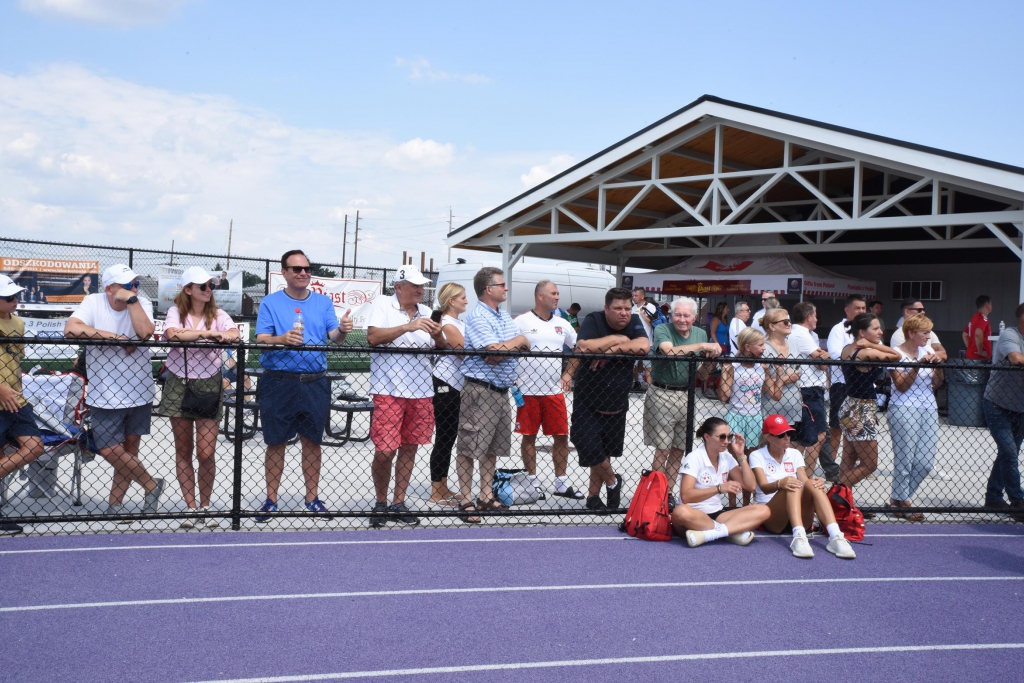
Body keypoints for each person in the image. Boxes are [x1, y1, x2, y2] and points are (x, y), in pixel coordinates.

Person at [253, 250, 353, 522]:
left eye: (307, 268)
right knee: (276, 442)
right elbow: (261, 339)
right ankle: (271, 500)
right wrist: (282, 339)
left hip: (314, 382)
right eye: (296, 269)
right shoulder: (270, 302)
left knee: (312, 441)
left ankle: (312, 498)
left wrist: (343, 329)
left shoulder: (322, 302)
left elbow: (335, 337)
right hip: (279, 381)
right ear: (284, 273)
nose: (303, 273)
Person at [65, 264, 164, 518]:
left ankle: (114, 504)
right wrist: (115, 338)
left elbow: (145, 332)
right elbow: (72, 328)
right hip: (104, 394)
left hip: (139, 391)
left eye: (136, 284)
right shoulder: (94, 301)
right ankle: (151, 484)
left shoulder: (140, 302)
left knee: (129, 452)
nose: (135, 288)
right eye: (128, 285)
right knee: (110, 450)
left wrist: (131, 299)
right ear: (110, 289)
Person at [366, 265, 447, 528]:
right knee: (385, 450)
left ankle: (398, 502)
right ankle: (381, 502)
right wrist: (408, 327)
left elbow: (441, 347)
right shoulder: (382, 304)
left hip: (421, 391)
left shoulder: (427, 312)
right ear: (399, 287)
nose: (420, 290)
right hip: (388, 389)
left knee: (410, 447)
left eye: (422, 285)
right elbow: (373, 337)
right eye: (415, 285)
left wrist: (438, 335)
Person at [159, 267, 240, 528]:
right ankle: (191, 508)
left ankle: (205, 506)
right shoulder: (176, 312)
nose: (208, 290)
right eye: (202, 286)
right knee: (183, 450)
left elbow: (234, 334)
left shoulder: (218, 314)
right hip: (178, 382)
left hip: (209, 384)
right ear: (188, 290)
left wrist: (219, 334)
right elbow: (173, 334)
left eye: (210, 286)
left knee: (206, 452)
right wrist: (208, 334)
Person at [455, 267, 530, 523]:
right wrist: (514, 343)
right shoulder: (478, 316)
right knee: (469, 447)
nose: (506, 288)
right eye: (502, 284)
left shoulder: (503, 315)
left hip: (500, 391)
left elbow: (518, 346)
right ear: (489, 289)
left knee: (491, 448)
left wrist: (513, 343)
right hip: (480, 390)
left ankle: (485, 497)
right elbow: (494, 351)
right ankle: (466, 501)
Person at [571, 287, 650, 511]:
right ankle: (614, 482)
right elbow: (583, 346)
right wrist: (618, 338)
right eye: (618, 308)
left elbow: (643, 346)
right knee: (585, 442)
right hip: (587, 398)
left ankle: (593, 497)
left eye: (627, 308)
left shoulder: (635, 321)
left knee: (604, 450)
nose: (624, 313)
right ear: (606, 308)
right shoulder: (594, 319)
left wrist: (611, 350)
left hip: (617, 400)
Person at [644, 297, 719, 506]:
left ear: (694, 317)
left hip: (687, 394)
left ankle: (667, 494)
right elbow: (669, 351)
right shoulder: (663, 329)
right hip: (663, 393)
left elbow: (701, 375)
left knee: (679, 449)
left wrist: (710, 362)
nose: (682, 319)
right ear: (671, 315)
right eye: (678, 315)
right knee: (663, 449)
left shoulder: (700, 333)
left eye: (686, 315)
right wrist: (702, 345)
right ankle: (655, 494)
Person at [749, 414, 856, 559]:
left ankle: (836, 536)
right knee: (792, 483)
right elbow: (763, 487)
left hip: (799, 513)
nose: (787, 437)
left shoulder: (794, 454)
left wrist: (817, 483)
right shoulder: (757, 455)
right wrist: (780, 483)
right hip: (773, 517)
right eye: (781, 435)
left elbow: (804, 481)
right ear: (768, 437)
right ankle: (799, 537)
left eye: (789, 433)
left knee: (812, 483)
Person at [515, 281, 581, 499]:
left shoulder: (563, 323)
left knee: (562, 436)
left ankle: (561, 483)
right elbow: (508, 348)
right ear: (540, 296)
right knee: (529, 437)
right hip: (527, 392)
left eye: (558, 293)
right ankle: (532, 482)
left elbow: (578, 348)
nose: (557, 297)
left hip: (554, 392)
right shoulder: (521, 321)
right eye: (553, 293)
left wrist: (568, 373)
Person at [671, 417, 770, 547]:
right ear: (707, 437)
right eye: (722, 437)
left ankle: (713, 533)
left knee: (764, 510)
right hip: (694, 513)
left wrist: (740, 455)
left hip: (717, 514)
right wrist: (719, 488)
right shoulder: (694, 458)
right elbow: (686, 496)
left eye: (729, 437)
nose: (726, 441)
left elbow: (750, 486)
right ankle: (730, 531)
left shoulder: (726, 457)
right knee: (680, 512)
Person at [0, 275, 45, 533]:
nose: (15, 301)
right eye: (8, 297)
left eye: (16, 296)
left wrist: (14, 390)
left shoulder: (18, 323)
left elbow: (15, 361)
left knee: (34, 446)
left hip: (16, 401)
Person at [887, 315, 943, 522]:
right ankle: (904, 503)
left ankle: (898, 499)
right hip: (903, 407)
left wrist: (938, 366)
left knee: (925, 461)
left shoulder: (927, 350)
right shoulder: (896, 353)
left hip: (929, 407)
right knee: (905, 458)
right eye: (925, 333)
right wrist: (917, 366)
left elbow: (937, 383)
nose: (929, 337)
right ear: (911, 333)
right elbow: (901, 385)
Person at [839, 313, 901, 493]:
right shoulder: (866, 352)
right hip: (861, 410)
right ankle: (834, 493)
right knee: (870, 464)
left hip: (849, 405)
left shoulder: (847, 348)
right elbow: (896, 355)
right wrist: (873, 345)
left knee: (849, 458)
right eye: (875, 328)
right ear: (862, 332)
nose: (880, 332)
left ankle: (841, 501)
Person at [982, 302, 1024, 519]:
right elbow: (1016, 359)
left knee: (1008, 453)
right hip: (997, 405)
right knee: (1009, 453)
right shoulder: (1010, 334)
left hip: (1021, 408)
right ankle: (1018, 501)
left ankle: (993, 497)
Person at [428, 283, 468, 506]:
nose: (466, 301)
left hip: (456, 386)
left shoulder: (458, 322)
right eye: (462, 297)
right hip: (446, 385)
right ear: (451, 301)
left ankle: (442, 485)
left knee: (449, 437)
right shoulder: (448, 324)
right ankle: (436, 490)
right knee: (444, 437)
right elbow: (466, 354)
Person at [789, 302, 837, 481]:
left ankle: (794, 472)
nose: (817, 319)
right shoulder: (802, 334)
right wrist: (826, 355)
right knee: (818, 435)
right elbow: (822, 364)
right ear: (809, 317)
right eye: (815, 316)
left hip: (805, 389)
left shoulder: (800, 333)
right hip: (809, 390)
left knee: (802, 436)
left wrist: (823, 355)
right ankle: (805, 478)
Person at [718, 328, 778, 448]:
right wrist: (724, 372)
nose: (764, 348)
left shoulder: (762, 367)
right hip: (736, 416)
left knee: (753, 452)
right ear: (747, 347)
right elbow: (724, 397)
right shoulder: (734, 367)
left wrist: (780, 373)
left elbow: (775, 395)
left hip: (755, 417)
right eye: (760, 345)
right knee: (734, 452)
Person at [827, 294, 867, 460]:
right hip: (842, 384)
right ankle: (831, 465)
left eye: (863, 308)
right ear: (847, 310)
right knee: (837, 427)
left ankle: (851, 464)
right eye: (857, 308)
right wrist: (861, 355)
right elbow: (836, 354)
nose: (861, 311)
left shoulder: (868, 328)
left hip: (863, 386)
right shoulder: (838, 329)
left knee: (858, 429)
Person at [761, 308, 803, 430]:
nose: (789, 324)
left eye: (789, 321)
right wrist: (786, 378)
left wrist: (777, 381)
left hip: (794, 410)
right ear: (772, 326)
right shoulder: (764, 349)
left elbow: (798, 373)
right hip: (772, 411)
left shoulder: (794, 345)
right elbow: (762, 384)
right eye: (785, 321)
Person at [631, 287, 654, 390]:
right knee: (633, 365)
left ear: (642, 296)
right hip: (635, 342)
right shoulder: (632, 308)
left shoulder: (650, 307)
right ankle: (637, 382)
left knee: (648, 367)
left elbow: (653, 322)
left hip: (648, 342)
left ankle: (650, 389)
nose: (634, 297)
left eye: (636, 295)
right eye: (633, 295)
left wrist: (643, 314)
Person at [963, 295, 993, 360]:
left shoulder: (974, 318)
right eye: (991, 304)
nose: (991, 306)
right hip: (980, 359)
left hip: (971, 356)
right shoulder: (983, 318)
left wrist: (971, 348)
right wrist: (980, 351)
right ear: (987, 305)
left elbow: (965, 334)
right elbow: (978, 333)